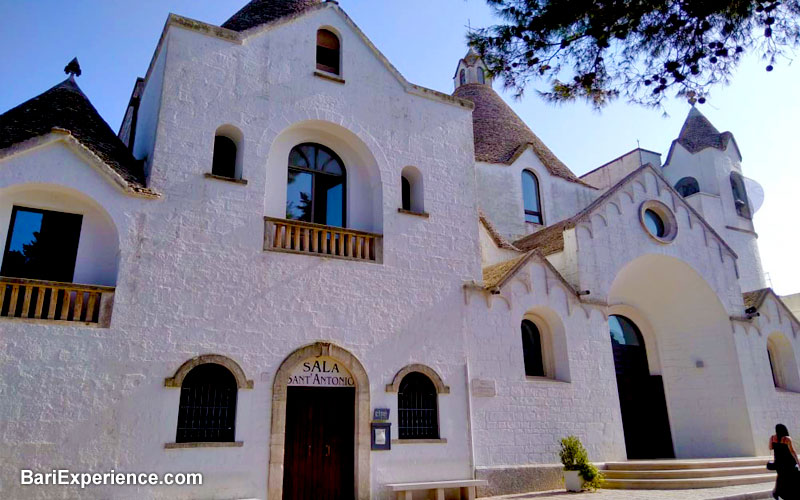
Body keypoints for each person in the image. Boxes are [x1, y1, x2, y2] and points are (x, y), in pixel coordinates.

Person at [770, 424, 800, 499]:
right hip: (788, 462)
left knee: (780, 477)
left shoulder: (772, 438)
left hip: (778, 462)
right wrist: (798, 462)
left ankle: (775, 492)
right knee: (790, 478)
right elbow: (792, 451)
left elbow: (770, 448)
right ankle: (789, 494)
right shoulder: (787, 439)